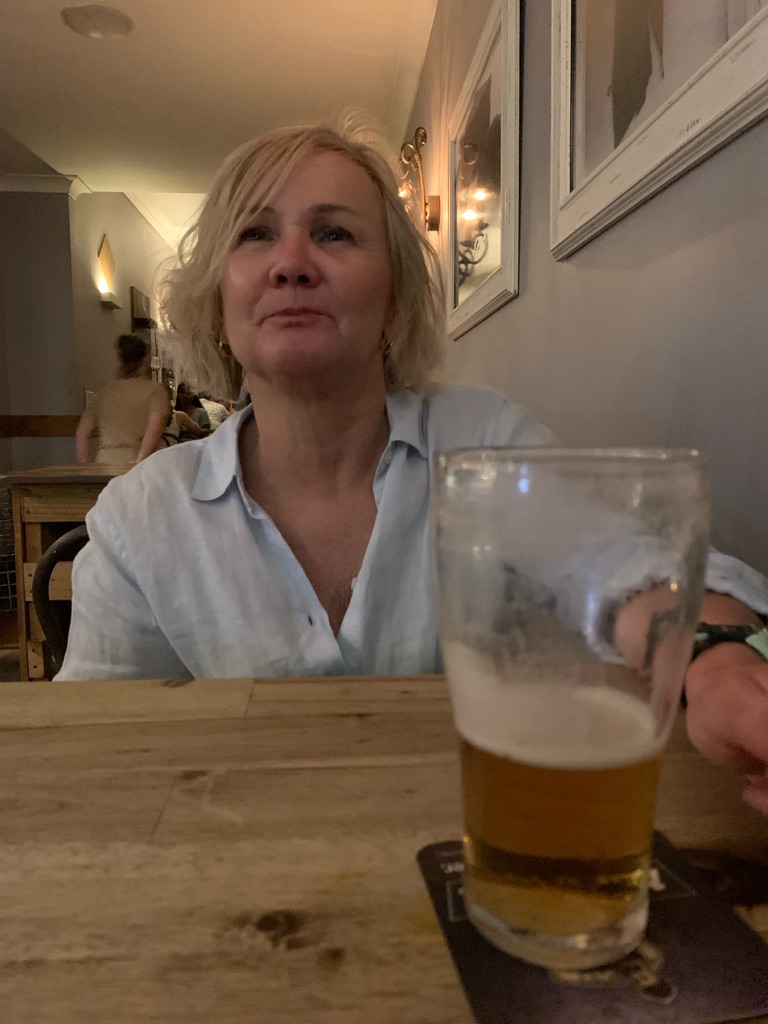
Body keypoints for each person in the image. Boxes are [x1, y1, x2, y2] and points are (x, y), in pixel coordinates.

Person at [58, 119, 768, 816]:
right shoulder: (140, 516)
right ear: (216, 298)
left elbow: (622, 565)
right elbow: (96, 748)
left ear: (394, 293)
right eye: (255, 233)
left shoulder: (483, 440)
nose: (291, 262)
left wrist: (720, 661)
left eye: (334, 233)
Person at [75, 333, 168, 465]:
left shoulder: (105, 392)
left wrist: (87, 466)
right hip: (137, 459)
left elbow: (82, 433)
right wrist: (139, 460)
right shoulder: (155, 390)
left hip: (104, 461)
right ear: (145, 360)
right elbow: (154, 430)